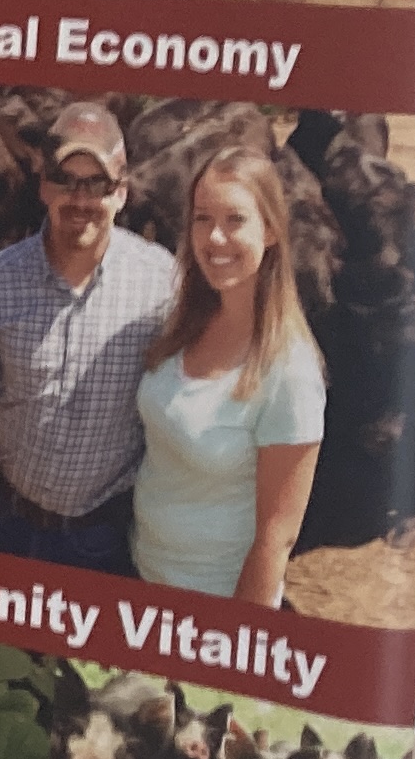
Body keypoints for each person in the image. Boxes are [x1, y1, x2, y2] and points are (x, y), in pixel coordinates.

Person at [0, 102, 178, 577]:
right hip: (7, 521)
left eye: (98, 184)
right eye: (66, 181)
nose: (81, 199)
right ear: (44, 185)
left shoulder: (162, 283)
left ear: (121, 192)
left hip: (106, 537)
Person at [132, 143, 326, 605]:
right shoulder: (186, 321)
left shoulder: (289, 370)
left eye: (235, 219)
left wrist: (233, 645)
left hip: (212, 602)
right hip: (143, 575)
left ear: (272, 230)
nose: (214, 238)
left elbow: (276, 537)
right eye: (202, 218)